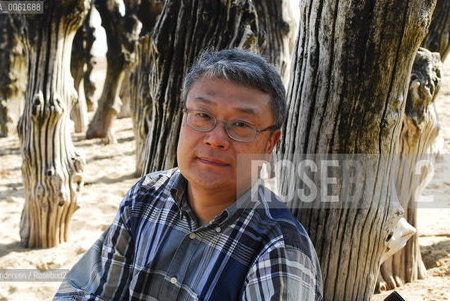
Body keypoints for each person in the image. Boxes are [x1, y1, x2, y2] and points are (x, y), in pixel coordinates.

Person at [54, 49, 323, 300]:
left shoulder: (279, 251)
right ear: (183, 119)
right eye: (203, 115)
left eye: (241, 124)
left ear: (270, 144)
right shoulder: (147, 195)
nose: (216, 139)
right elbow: (88, 291)